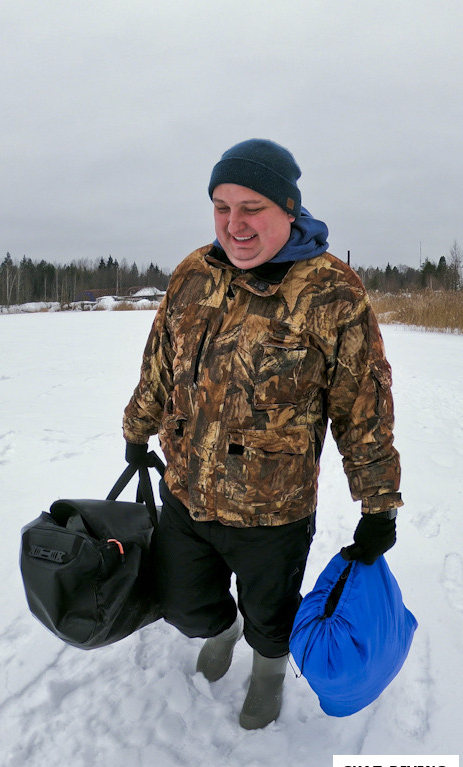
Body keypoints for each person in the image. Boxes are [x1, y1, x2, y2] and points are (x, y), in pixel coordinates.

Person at [122, 138, 402, 729]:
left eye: (252, 207)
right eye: (222, 207)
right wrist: (137, 428)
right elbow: (161, 363)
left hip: (274, 511)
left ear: (290, 209)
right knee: (183, 603)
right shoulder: (194, 273)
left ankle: (268, 671)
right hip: (187, 493)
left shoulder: (332, 293)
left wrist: (379, 503)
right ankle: (222, 630)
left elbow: (363, 409)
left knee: (272, 617)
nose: (235, 223)